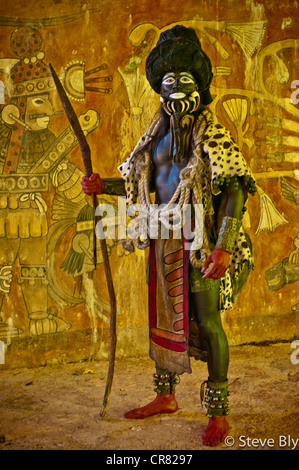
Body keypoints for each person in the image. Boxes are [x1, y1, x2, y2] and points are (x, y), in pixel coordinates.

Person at [81, 25, 256, 446]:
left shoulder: (210, 134)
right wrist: (102, 184)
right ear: (159, 87)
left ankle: (218, 412)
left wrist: (224, 246)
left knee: (207, 320)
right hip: (162, 236)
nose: (176, 90)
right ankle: (165, 395)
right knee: (162, 317)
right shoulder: (153, 137)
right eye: (169, 81)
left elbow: (235, 186)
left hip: (199, 239)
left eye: (185, 80)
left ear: (201, 86)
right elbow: (141, 183)